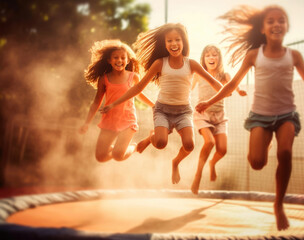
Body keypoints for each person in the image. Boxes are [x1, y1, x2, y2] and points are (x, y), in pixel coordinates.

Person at [195, 5, 304, 231]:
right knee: (257, 163)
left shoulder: (294, 56)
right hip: (260, 116)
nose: (276, 24)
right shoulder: (253, 55)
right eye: (271, 21)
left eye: (281, 20)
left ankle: (278, 205)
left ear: (286, 27)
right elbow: (231, 84)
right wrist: (208, 102)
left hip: (286, 115)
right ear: (262, 28)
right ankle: (266, 142)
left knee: (286, 153)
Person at [100, 23, 223, 184]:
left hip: (183, 111)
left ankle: (175, 163)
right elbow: (137, 87)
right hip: (163, 110)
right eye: (169, 41)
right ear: (164, 44)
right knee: (160, 143)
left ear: (184, 42)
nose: (174, 44)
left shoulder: (191, 64)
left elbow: (217, 85)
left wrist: (222, 93)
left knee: (189, 145)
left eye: (177, 40)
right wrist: (113, 103)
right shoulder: (160, 63)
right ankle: (151, 138)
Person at [79, 39, 154, 163]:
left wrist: (153, 105)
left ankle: (135, 147)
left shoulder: (133, 76)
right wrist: (87, 122)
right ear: (109, 60)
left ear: (128, 60)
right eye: (115, 57)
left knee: (118, 156)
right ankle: (117, 150)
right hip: (110, 121)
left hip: (127, 120)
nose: (119, 60)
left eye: (123, 58)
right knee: (101, 157)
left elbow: (139, 94)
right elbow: (96, 102)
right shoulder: (104, 79)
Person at [191, 44, 247, 194]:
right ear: (203, 59)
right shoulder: (199, 74)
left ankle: (212, 163)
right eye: (208, 55)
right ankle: (198, 175)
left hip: (220, 117)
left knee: (222, 150)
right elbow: (187, 88)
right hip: (202, 114)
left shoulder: (224, 76)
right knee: (210, 142)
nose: (211, 57)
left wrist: (240, 91)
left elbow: (235, 85)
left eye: (214, 55)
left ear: (219, 58)